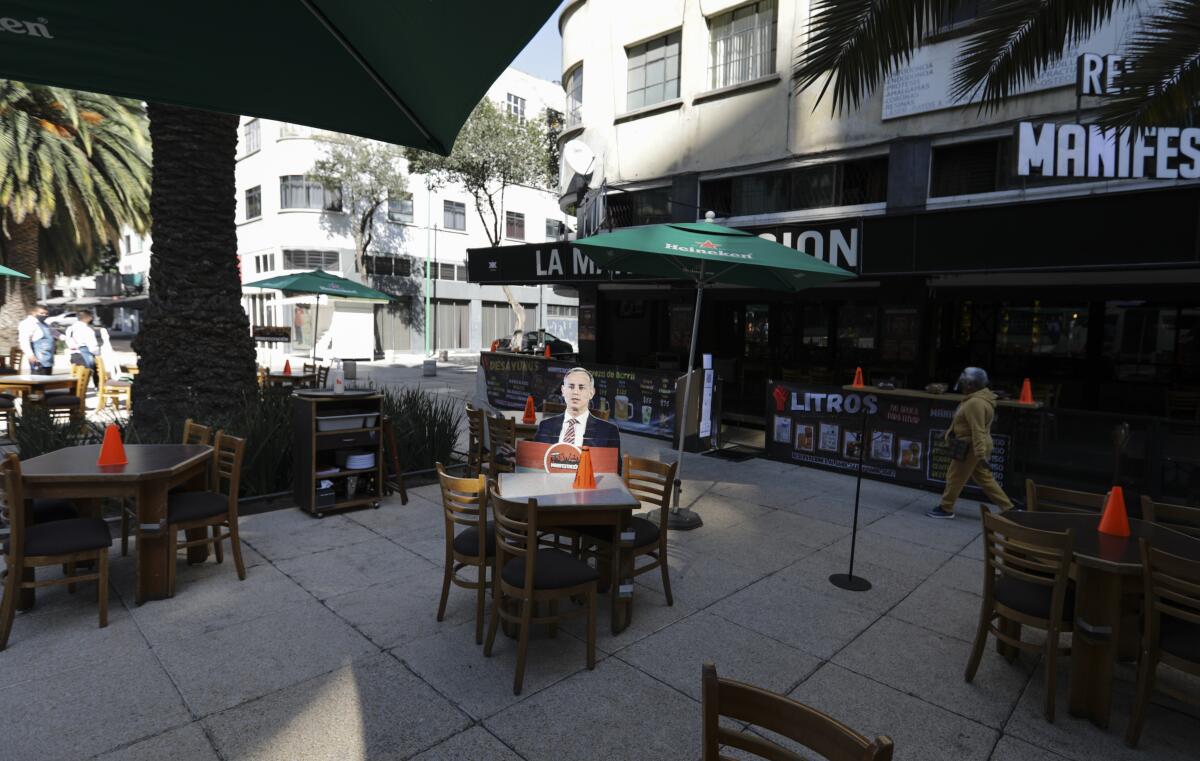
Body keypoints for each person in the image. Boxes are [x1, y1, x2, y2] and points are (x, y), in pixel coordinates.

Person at [927, 367, 1014, 519]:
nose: (961, 386)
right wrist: (948, 432)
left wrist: (981, 455)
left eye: (964, 383)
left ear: (971, 385)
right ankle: (1009, 508)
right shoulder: (977, 398)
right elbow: (965, 424)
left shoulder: (975, 403)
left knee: (955, 477)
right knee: (985, 479)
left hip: (971, 447)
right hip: (975, 445)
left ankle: (946, 508)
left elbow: (977, 430)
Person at [533, 367, 621, 463]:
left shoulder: (608, 431)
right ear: (563, 390)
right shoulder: (545, 426)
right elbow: (535, 462)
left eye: (581, 387)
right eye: (571, 386)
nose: (575, 392)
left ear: (591, 393)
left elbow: (614, 471)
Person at [65, 310, 100, 387]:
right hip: (85, 355)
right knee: (90, 375)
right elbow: (93, 346)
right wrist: (98, 354)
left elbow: (67, 341)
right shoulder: (87, 330)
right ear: (89, 318)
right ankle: (96, 388)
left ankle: (76, 393)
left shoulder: (70, 328)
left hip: (74, 354)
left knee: (77, 378)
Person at [18, 305, 56, 375]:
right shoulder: (28, 323)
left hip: (48, 359)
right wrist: (30, 355)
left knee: (47, 381)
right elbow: (24, 341)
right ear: (33, 312)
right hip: (38, 359)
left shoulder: (45, 324)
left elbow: (55, 333)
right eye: (42, 313)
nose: (44, 315)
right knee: (39, 380)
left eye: (46, 313)